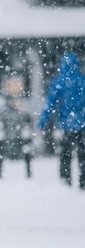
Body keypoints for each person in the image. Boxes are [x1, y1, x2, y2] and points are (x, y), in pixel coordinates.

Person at [39, 52, 85, 190]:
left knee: (65, 154)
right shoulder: (82, 81)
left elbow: (50, 105)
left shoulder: (59, 82)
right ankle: (83, 182)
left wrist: (42, 122)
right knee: (82, 154)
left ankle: (65, 183)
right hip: (83, 124)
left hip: (66, 125)